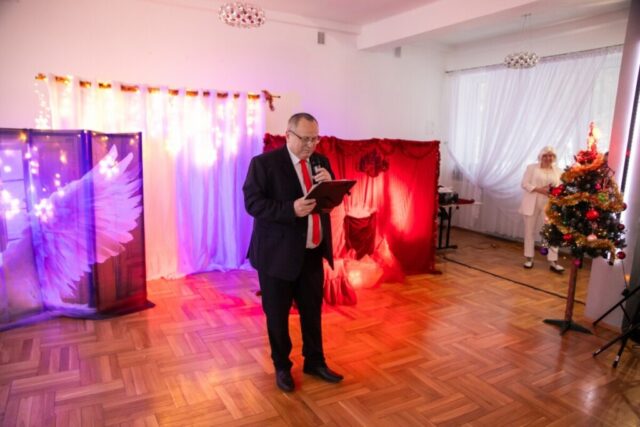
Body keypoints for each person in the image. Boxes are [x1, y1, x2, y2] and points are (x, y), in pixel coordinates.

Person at [243, 112, 343, 392]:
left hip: (311, 252)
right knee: (277, 315)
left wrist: (331, 183)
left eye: (315, 139)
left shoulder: (321, 162)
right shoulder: (264, 164)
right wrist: (290, 209)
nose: (311, 145)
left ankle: (315, 362)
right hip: (277, 256)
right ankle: (282, 367)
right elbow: (252, 203)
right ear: (288, 135)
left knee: (312, 312)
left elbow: (328, 203)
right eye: (305, 139)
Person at [519, 146, 565, 273]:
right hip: (532, 202)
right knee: (529, 231)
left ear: (554, 157)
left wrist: (554, 191)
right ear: (541, 156)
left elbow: (561, 187)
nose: (548, 158)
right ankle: (529, 258)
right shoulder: (531, 168)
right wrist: (540, 190)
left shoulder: (559, 171)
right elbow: (524, 184)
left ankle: (553, 261)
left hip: (549, 204)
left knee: (552, 232)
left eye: (551, 155)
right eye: (545, 155)